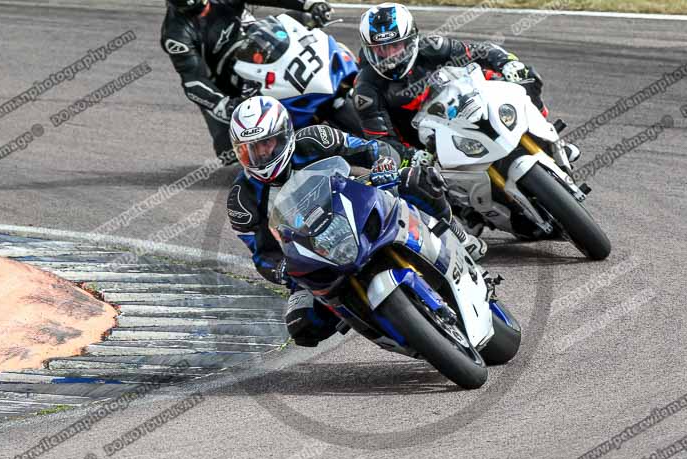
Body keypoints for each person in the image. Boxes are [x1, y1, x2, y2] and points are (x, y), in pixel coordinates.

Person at [226, 96, 486, 346]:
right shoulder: (241, 200)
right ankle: (379, 322)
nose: (260, 154)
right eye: (249, 150)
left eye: (266, 143)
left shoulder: (315, 139)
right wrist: (280, 269)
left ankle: (460, 238)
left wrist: (384, 164)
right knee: (302, 325)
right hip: (312, 251)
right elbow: (261, 254)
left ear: (284, 134)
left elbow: (373, 149)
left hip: (358, 204)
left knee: (418, 180)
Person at [353, 2, 580, 166]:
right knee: (420, 191)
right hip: (427, 149)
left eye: (396, 46)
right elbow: (382, 143)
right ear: (368, 49)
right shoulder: (365, 90)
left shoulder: (432, 47)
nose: (390, 56)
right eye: (380, 49)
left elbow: (480, 52)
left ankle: (550, 138)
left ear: (411, 40)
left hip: (459, 107)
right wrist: (409, 157)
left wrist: (508, 64)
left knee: (527, 77)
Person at [160, 0, 334, 162]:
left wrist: (308, 4)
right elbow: (194, 81)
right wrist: (223, 105)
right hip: (227, 83)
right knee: (234, 153)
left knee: (303, 22)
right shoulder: (175, 34)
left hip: (262, 46)